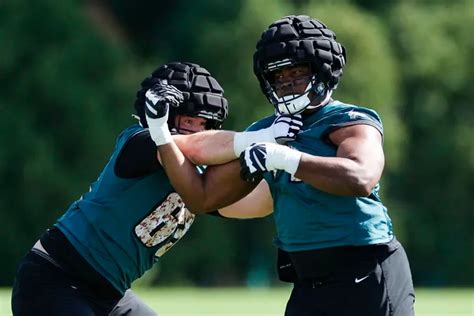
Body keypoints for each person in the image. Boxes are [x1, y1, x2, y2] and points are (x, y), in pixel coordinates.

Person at [145, 15, 415, 316]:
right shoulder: (265, 130)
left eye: (296, 74)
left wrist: (283, 158)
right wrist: (161, 137)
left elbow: (361, 176)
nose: (286, 84)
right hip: (308, 283)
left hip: (367, 273)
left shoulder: (350, 120)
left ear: (322, 70)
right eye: (278, 77)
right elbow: (204, 197)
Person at [11, 60, 302, 316]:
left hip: (110, 293)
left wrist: (296, 167)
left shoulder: (195, 179)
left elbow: (258, 203)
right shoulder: (139, 142)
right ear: (161, 113)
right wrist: (263, 136)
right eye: (189, 120)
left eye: (205, 124)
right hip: (56, 278)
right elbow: (192, 146)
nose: (198, 130)